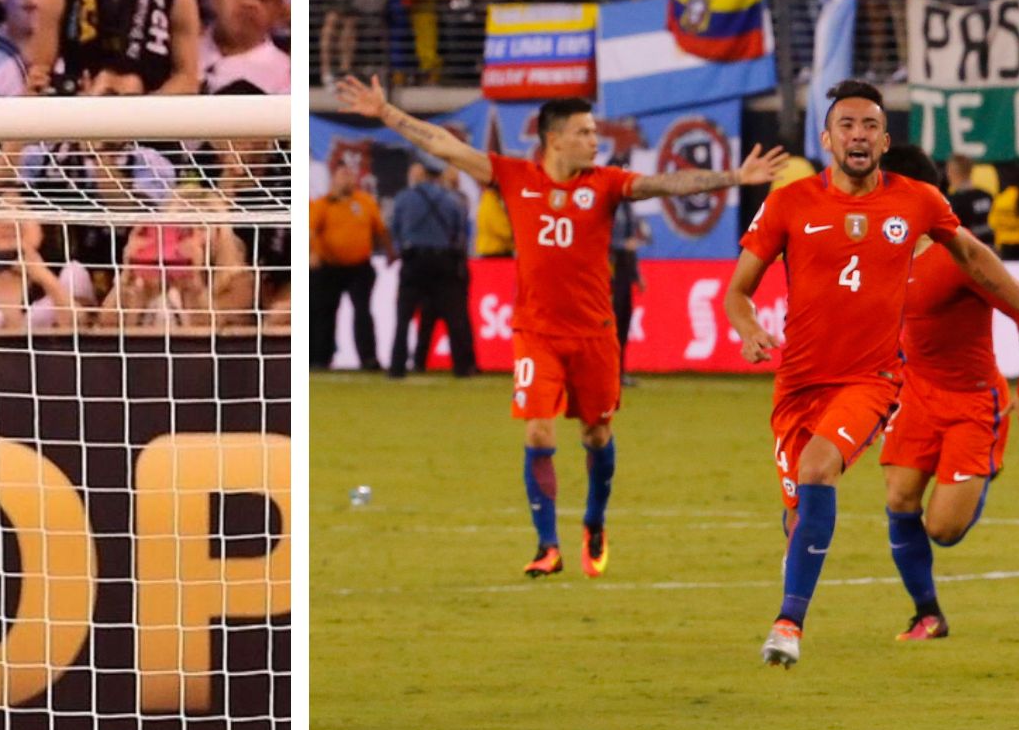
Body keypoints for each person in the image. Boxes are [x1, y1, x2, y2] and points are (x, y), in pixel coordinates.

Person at [339, 78, 783, 579]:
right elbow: (444, 143)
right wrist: (386, 112)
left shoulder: (607, 183)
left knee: (596, 435)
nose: (596, 140)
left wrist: (733, 177)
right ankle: (547, 545)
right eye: (585, 132)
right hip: (536, 333)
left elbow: (665, 183)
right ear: (556, 140)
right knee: (537, 430)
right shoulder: (513, 176)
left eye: (595, 132)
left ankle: (594, 520)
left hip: (594, 334)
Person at [728, 82, 1019, 666]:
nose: (859, 135)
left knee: (821, 469)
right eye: (847, 125)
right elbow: (738, 291)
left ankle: (788, 624)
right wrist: (747, 328)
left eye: (870, 125)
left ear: (884, 139)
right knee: (799, 511)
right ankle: (826, 567)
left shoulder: (916, 199)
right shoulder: (790, 203)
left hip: (872, 381)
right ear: (827, 138)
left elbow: (973, 257)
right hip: (796, 384)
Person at [877, 141, 1019, 642]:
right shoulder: (883, 252)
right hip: (916, 394)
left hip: (973, 401)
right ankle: (927, 614)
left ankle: (981, 467)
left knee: (943, 530)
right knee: (899, 496)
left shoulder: (962, 254)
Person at [386, 155, 476, 380]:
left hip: (414, 261)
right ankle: (462, 368)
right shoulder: (451, 200)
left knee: (404, 316)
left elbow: (394, 228)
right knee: (454, 317)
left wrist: (402, 249)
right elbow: (460, 232)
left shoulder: (404, 198)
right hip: (443, 262)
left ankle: (397, 366)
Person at [307, 143, 386, 373]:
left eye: (350, 175)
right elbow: (310, 231)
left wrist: (390, 253)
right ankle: (319, 357)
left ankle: (369, 358)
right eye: (343, 175)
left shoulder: (365, 202)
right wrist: (311, 253)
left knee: (363, 312)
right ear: (333, 179)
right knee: (323, 313)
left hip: (359, 267)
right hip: (329, 266)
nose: (347, 179)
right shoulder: (322, 204)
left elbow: (380, 230)